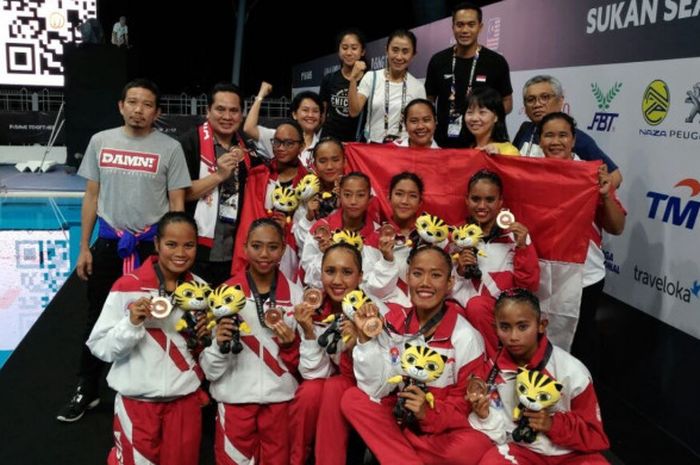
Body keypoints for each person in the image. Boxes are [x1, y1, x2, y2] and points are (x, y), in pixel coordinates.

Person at [57, 78, 191, 423]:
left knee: (158, 315)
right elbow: (91, 196)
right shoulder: (101, 141)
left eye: (147, 104)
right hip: (110, 244)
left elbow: (177, 203)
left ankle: (148, 382)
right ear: (121, 106)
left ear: (157, 112)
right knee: (98, 315)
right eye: (132, 102)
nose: (138, 109)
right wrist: (83, 247)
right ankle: (86, 387)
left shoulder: (170, 148)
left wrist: (172, 251)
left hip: (152, 249)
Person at [341, 245, 492, 465]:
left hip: (440, 429)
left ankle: (398, 453)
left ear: (450, 283)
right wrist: (365, 340)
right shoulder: (393, 321)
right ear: (408, 276)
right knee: (353, 399)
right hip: (402, 422)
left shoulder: (466, 336)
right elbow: (375, 389)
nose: (425, 283)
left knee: (473, 446)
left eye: (436, 275)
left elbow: (465, 405)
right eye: (417, 273)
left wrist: (427, 413)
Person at [86, 212, 207, 465]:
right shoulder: (127, 286)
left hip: (184, 403)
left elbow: (210, 354)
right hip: (136, 405)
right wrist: (130, 324)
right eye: (171, 244)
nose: (180, 253)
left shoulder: (202, 291)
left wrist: (208, 339)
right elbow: (100, 347)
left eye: (189, 245)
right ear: (156, 244)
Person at [201, 218, 303, 465]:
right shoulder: (222, 295)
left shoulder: (297, 296)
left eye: (272, 247)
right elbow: (209, 369)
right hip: (235, 402)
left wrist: (291, 345)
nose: (264, 254)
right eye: (256, 246)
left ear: (282, 250)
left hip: (280, 402)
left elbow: (305, 364)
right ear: (244, 248)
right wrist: (218, 345)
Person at [468, 289, 610, 464]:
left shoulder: (572, 371)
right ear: (495, 328)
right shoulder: (491, 371)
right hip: (522, 451)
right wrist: (484, 416)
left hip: (571, 454)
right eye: (505, 327)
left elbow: (594, 435)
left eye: (522, 327)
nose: (513, 337)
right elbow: (498, 432)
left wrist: (552, 424)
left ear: (541, 325)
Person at [538, 112, 625, 375]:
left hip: (584, 274)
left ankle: (583, 404)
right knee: (540, 338)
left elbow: (617, 227)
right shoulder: (530, 173)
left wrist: (605, 195)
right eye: (549, 135)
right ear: (540, 140)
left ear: (574, 140)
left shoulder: (591, 175)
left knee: (582, 339)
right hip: (540, 272)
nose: (556, 141)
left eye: (562, 135)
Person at [290, 242, 374, 465]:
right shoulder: (313, 308)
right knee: (309, 392)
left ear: (360, 276)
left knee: (335, 387)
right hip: (325, 387)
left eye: (347, 272)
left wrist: (357, 344)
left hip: (361, 391)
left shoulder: (371, 312)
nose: (337, 281)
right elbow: (311, 374)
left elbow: (374, 380)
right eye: (330, 271)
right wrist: (308, 331)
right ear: (321, 272)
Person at [180, 82, 263, 287]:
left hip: (233, 253)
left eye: (234, 111)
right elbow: (178, 194)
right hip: (195, 251)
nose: (227, 116)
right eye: (220, 109)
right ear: (208, 111)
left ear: (241, 115)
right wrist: (218, 176)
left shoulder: (248, 149)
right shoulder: (189, 143)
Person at [451, 169, 539, 356]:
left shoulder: (516, 236)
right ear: (466, 200)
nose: (482, 206)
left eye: (490, 200)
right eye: (476, 199)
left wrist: (523, 247)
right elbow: (442, 287)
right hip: (460, 310)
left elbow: (529, 286)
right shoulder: (455, 236)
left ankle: (496, 363)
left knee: (477, 306)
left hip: (501, 315)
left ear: (500, 203)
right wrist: (459, 271)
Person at [425, 2, 513, 148]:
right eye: (460, 25)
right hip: (442, 144)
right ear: (453, 27)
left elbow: (507, 102)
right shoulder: (438, 60)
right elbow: (429, 100)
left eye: (471, 24)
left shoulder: (496, 62)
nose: (465, 30)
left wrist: (484, 119)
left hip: (481, 145)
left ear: (480, 27)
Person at [512, 75, 623, 187]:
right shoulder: (525, 129)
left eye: (545, 97)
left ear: (560, 101)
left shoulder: (577, 138)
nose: (537, 104)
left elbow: (615, 177)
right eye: (530, 100)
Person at [300, 172, 378, 289]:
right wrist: (324, 254)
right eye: (347, 195)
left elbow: (376, 282)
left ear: (370, 199)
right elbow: (308, 274)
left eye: (360, 195)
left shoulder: (378, 234)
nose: (353, 201)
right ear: (339, 195)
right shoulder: (321, 228)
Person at [348, 29, 426, 143]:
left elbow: (420, 124)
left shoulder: (418, 87)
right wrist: (353, 80)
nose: (399, 57)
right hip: (373, 148)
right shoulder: (371, 77)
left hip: (403, 149)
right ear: (386, 50)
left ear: (413, 54)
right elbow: (354, 111)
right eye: (395, 50)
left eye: (405, 51)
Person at [363, 172, 427, 307]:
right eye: (399, 194)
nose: (404, 201)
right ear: (389, 197)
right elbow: (370, 289)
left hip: (426, 309)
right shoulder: (374, 239)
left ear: (420, 202)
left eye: (412, 196)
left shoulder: (431, 238)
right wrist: (387, 260)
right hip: (389, 313)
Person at [245, 83, 323, 170]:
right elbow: (249, 128)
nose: (310, 115)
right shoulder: (278, 138)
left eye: (315, 111)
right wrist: (261, 94)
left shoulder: (322, 147)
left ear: (320, 116)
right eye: (305, 110)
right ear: (294, 114)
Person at [292, 136, 346, 252]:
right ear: (314, 165)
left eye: (335, 160)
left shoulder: (354, 191)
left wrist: (345, 205)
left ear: (344, 161)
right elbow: (300, 243)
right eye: (322, 161)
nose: (329, 166)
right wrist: (309, 217)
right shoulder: (307, 194)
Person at [320, 28, 367, 142]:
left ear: (362, 52)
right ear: (338, 50)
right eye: (344, 48)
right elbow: (323, 113)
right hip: (330, 141)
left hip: (357, 144)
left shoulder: (369, 79)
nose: (349, 52)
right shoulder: (329, 79)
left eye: (354, 48)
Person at [464, 87, 519, 155]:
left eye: (482, 112)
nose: (474, 118)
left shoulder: (509, 151)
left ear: (496, 117)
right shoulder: (463, 149)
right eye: (470, 112)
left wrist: (498, 159)